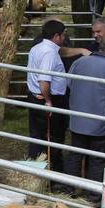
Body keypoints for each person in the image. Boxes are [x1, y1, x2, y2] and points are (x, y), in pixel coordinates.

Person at [64, 35, 105, 195]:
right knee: (98, 159)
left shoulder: (79, 62)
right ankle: (93, 194)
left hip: (78, 120)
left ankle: (69, 188)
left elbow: (70, 83)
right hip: (101, 124)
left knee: (75, 155)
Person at [26, 19, 70, 172]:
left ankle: (34, 170)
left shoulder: (36, 48)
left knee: (37, 135)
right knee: (53, 137)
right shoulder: (50, 53)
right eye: (63, 35)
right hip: (48, 99)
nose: (64, 39)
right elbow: (44, 80)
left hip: (35, 96)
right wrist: (49, 101)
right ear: (57, 36)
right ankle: (53, 174)